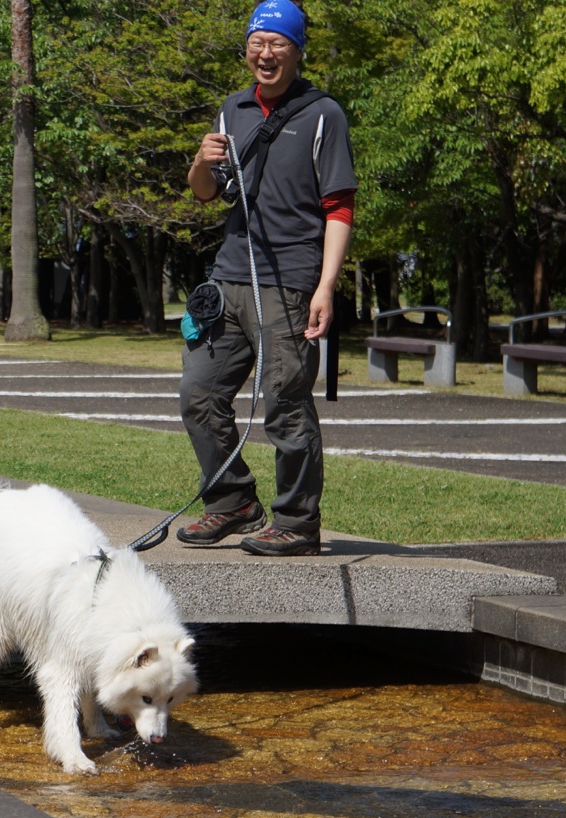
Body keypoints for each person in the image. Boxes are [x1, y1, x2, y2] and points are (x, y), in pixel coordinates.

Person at [177, 0, 356, 556]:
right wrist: (202, 160)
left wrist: (326, 286)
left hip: (292, 282)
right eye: (258, 42)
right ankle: (231, 501)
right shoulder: (231, 110)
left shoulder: (323, 113)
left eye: (278, 42)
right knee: (199, 394)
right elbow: (204, 192)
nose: (266, 52)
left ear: (297, 50)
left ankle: (297, 524)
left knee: (284, 403)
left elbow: (340, 208)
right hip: (230, 275)